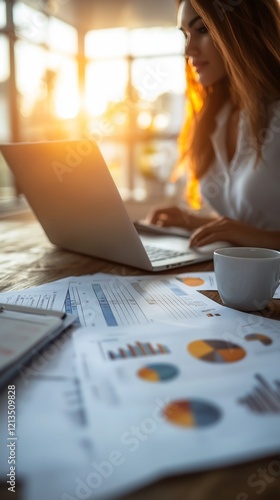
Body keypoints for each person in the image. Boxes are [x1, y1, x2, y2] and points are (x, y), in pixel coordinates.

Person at [146, 0, 280, 249]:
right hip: (232, 278)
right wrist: (191, 221)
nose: (188, 50)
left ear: (243, 29)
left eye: (203, 30)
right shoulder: (217, 115)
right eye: (185, 34)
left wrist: (265, 240)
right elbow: (242, 225)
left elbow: (252, 232)